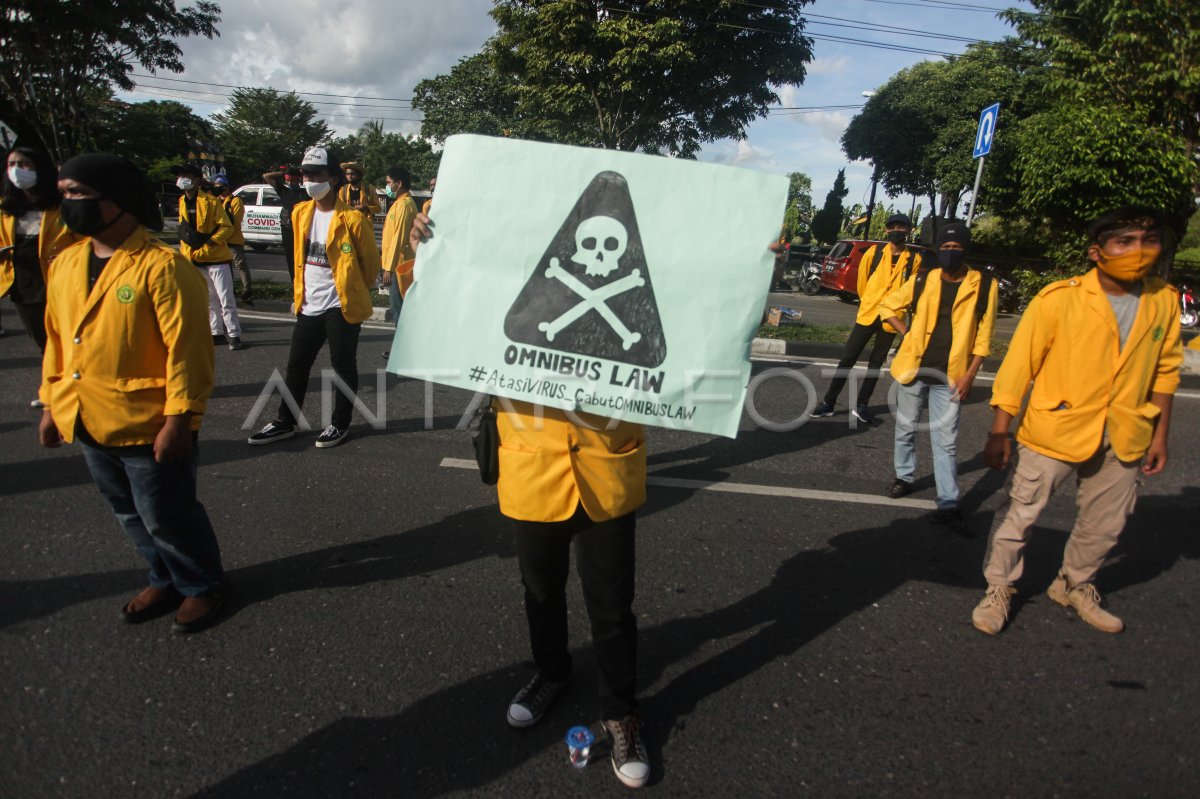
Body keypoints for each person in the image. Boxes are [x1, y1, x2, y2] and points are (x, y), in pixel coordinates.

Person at [406, 208, 651, 788]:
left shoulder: (641, 278)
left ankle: (620, 713)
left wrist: (745, 265)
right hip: (530, 460)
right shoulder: (513, 281)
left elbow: (700, 315)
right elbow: (444, 310)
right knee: (540, 590)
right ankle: (551, 672)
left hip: (604, 465)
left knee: (613, 607)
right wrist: (429, 250)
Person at [38, 153, 228, 633]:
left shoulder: (163, 268)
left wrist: (180, 419)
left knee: (167, 514)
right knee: (126, 512)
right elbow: (58, 341)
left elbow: (188, 352)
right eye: (63, 195)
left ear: (118, 201)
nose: (68, 205)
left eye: (79, 195)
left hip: (149, 423)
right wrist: (49, 403)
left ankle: (201, 585)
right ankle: (162, 576)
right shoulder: (65, 264)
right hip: (85, 415)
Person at [972, 207, 1182, 636]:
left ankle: (1074, 583)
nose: (1138, 252)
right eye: (1124, 242)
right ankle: (999, 588)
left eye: (1148, 241)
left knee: (1107, 523)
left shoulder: (1164, 301)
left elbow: (1166, 369)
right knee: (1020, 515)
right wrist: (999, 430)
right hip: (1054, 429)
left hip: (1126, 431)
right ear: (1096, 251)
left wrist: (1160, 433)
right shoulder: (1059, 299)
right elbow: (1019, 365)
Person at [247, 146, 381, 449]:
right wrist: (300, 294)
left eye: (316, 173)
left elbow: (370, 267)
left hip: (340, 306)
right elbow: (297, 257)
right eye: (306, 173)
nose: (309, 179)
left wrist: (352, 288)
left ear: (333, 178)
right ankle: (285, 421)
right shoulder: (300, 213)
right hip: (309, 304)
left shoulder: (353, 220)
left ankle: (339, 423)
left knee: (342, 366)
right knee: (297, 365)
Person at [879, 221, 997, 536]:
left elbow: (984, 336)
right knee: (905, 427)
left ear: (965, 249)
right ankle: (904, 477)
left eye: (956, 248)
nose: (950, 253)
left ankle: (948, 503)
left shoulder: (983, 285)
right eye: (944, 248)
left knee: (946, 441)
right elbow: (887, 305)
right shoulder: (924, 279)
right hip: (915, 368)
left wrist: (971, 374)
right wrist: (905, 333)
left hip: (952, 375)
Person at [811, 213, 922, 423]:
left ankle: (862, 405)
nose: (896, 230)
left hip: (892, 319)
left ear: (909, 230)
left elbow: (912, 290)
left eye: (901, 227)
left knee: (875, 364)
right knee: (847, 358)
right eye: (893, 227)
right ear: (887, 230)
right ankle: (829, 402)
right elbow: (862, 282)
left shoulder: (914, 260)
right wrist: (870, 301)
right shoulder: (875, 252)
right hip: (869, 313)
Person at [1, 145, 83, 406]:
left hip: (59, 283)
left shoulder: (61, 205)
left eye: (24, 165)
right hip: (22, 284)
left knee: (68, 338)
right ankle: (53, 386)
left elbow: (84, 240)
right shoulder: (6, 208)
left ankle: (75, 386)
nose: (17, 171)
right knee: (43, 341)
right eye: (12, 165)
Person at [173, 163, 244, 350]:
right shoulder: (182, 201)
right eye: (179, 176)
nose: (181, 179)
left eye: (186, 176)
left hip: (216, 258)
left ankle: (234, 335)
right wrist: (186, 250)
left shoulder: (212, 202)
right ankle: (216, 332)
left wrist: (210, 243)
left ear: (197, 180)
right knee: (208, 298)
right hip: (194, 257)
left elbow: (227, 227)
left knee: (225, 298)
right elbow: (184, 229)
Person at [379, 165, 416, 351]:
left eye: (388, 183)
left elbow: (399, 239)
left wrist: (389, 268)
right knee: (399, 308)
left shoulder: (405, 205)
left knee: (399, 308)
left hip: (399, 267)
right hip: (395, 264)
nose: (387, 186)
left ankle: (403, 351)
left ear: (398, 183)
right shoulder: (400, 203)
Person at [211, 174, 253, 305]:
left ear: (227, 187)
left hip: (233, 240)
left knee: (240, 266)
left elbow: (235, 221)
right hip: (220, 241)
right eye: (217, 187)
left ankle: (247, 291)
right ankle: (230, 290)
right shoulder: (215, 201)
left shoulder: (236, 201)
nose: (220, 189)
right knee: (225, 268)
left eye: (222, 187)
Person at [263, 166, 307, 282]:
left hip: (302, 232)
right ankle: (294, 285)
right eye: (288, 180)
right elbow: (266, 177)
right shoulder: (284, 191)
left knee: (303, 260)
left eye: (293, 180)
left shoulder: (306, 193)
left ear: (298, 180)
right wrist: (284, 173)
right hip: (287, 230)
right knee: (291, 260)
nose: (290, 183)